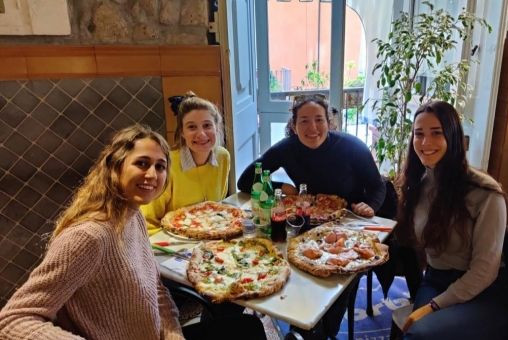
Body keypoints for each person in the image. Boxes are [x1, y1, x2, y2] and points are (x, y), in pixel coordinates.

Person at [0, 125, 184, 339]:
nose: (152, 174)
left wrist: (173, 334)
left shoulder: (135, 218)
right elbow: (13, 320)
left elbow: (156, 289)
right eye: (142, 163)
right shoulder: (88, 237)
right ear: (115, 168)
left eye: (160, 167)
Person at [395, 101, 508, 339]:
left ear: (453, 136)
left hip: (481, 293)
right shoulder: (420, 183)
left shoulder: (485, 193)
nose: (425, 143)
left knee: (418, 334)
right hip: (436, 279)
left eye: (436, 133)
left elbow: (485, 271)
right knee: (413, 331)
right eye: (419, 134)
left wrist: (435, 305)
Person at [237, 94, 386, 218]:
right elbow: (245, 181)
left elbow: (377, 186)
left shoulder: (352, 146)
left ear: (328, 123)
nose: (312, 128)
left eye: (319, 120)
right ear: (294, 127)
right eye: (304, 121)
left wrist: (370, 206)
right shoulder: (286, 148)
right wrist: (280, 187)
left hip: (350, 219)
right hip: (307, 217)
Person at [141, 92, 231, 235]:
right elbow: (146, 222)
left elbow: (217, 207)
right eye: (192, 127)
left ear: (217, 128)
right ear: (182, 132)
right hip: (172, 243)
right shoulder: (166, 165)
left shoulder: (223, 157)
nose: (201, 134)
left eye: (207, 125)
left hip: (211, 236)